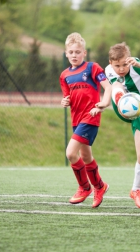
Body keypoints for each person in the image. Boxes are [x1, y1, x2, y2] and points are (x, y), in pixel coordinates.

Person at [105, 42, 140, 209]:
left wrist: (139, 64)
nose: (121, 68)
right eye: (117, 65)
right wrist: (104, 103)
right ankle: (123, 103)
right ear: (110, 63)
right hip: (122, 105)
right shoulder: (109, 70)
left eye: (124, 64)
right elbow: (111, 87)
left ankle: (136, 190)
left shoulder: (136, 66)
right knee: (116, 84)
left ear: (129, 60)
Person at [59, 32, 112, 208]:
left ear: (84, 53)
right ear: (66, 53)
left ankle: (84, 187)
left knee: (70, 154)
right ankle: (100, 186)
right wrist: (65, 101)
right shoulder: (64, 75)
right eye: (71, 52)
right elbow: (67, 97)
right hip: (76, 119)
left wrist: (103, 103)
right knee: (86, 156)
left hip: (91, 117)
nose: (74, 55)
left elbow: (108, 87)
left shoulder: (92, 68)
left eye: (77, 52)